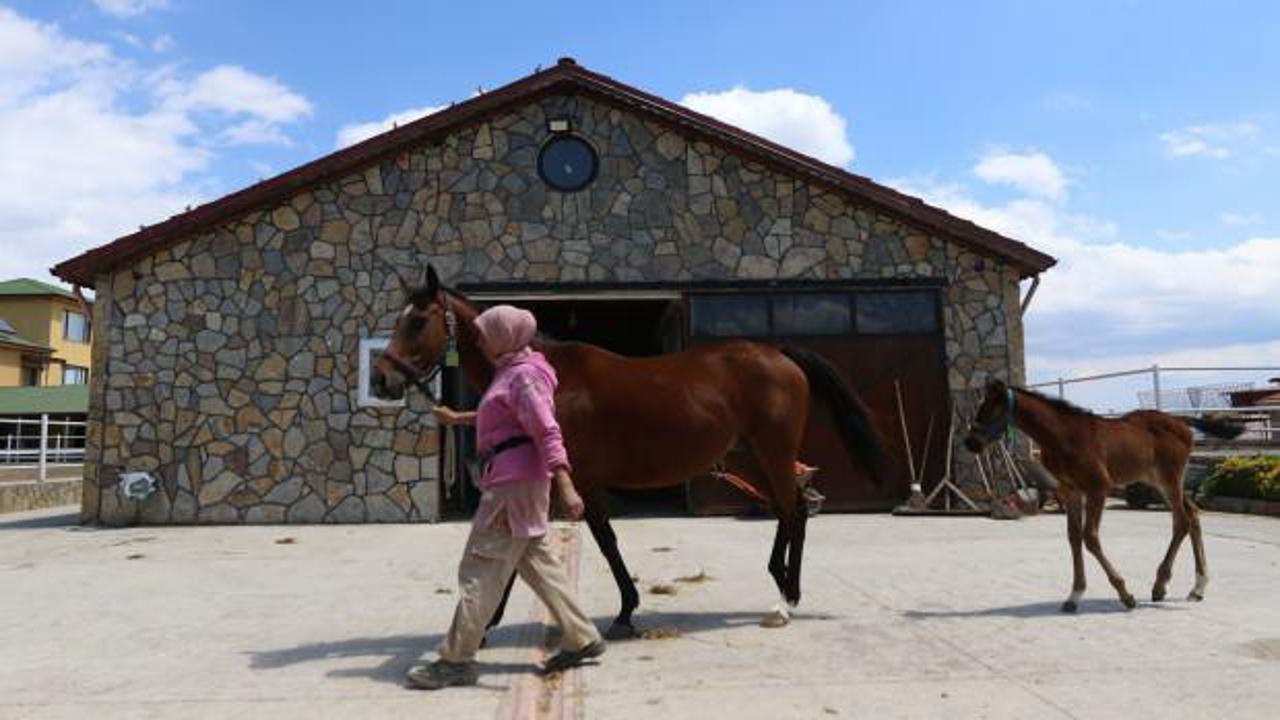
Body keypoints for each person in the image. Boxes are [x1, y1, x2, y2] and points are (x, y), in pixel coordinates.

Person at [405, 305, 605, 691]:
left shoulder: (523, 378)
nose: (478, 339)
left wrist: (566, 484)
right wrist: (460, 418)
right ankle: (582, 637)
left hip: (511, 486)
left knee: (480, 568)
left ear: (504, 335)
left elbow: (546, 430)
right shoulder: (516, 372)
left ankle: (456, 659)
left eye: (485, 332)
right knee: (536, 562)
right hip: (520, 484)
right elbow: (508, 420)